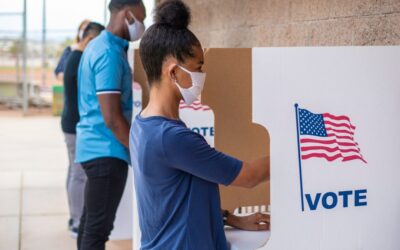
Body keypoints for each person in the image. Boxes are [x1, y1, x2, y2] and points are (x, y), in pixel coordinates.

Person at [129, 0, 270, 249]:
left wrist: (229, 218)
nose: (202, 76)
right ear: (173, 72)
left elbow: (173, 198)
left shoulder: (143, 125)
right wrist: (294, 149)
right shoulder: (171, 138)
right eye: (198, 68)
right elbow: (249, 176)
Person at [75, 0, 146, 249]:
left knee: (90, 225)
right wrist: (138, 152)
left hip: (93, 147)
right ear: (127, 15)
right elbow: (113, 118)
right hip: (106, 151)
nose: (143, 26)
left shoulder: (98, 46)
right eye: (141, 18)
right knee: (97, 231)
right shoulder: (109, 54)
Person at [61, 22, 105, 238]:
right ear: (89, 39)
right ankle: (77, 221)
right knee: (79, 175)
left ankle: (74, 217)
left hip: (70, 123)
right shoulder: (78, 60)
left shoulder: (74, 56)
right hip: (74, 126)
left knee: (74, 172)